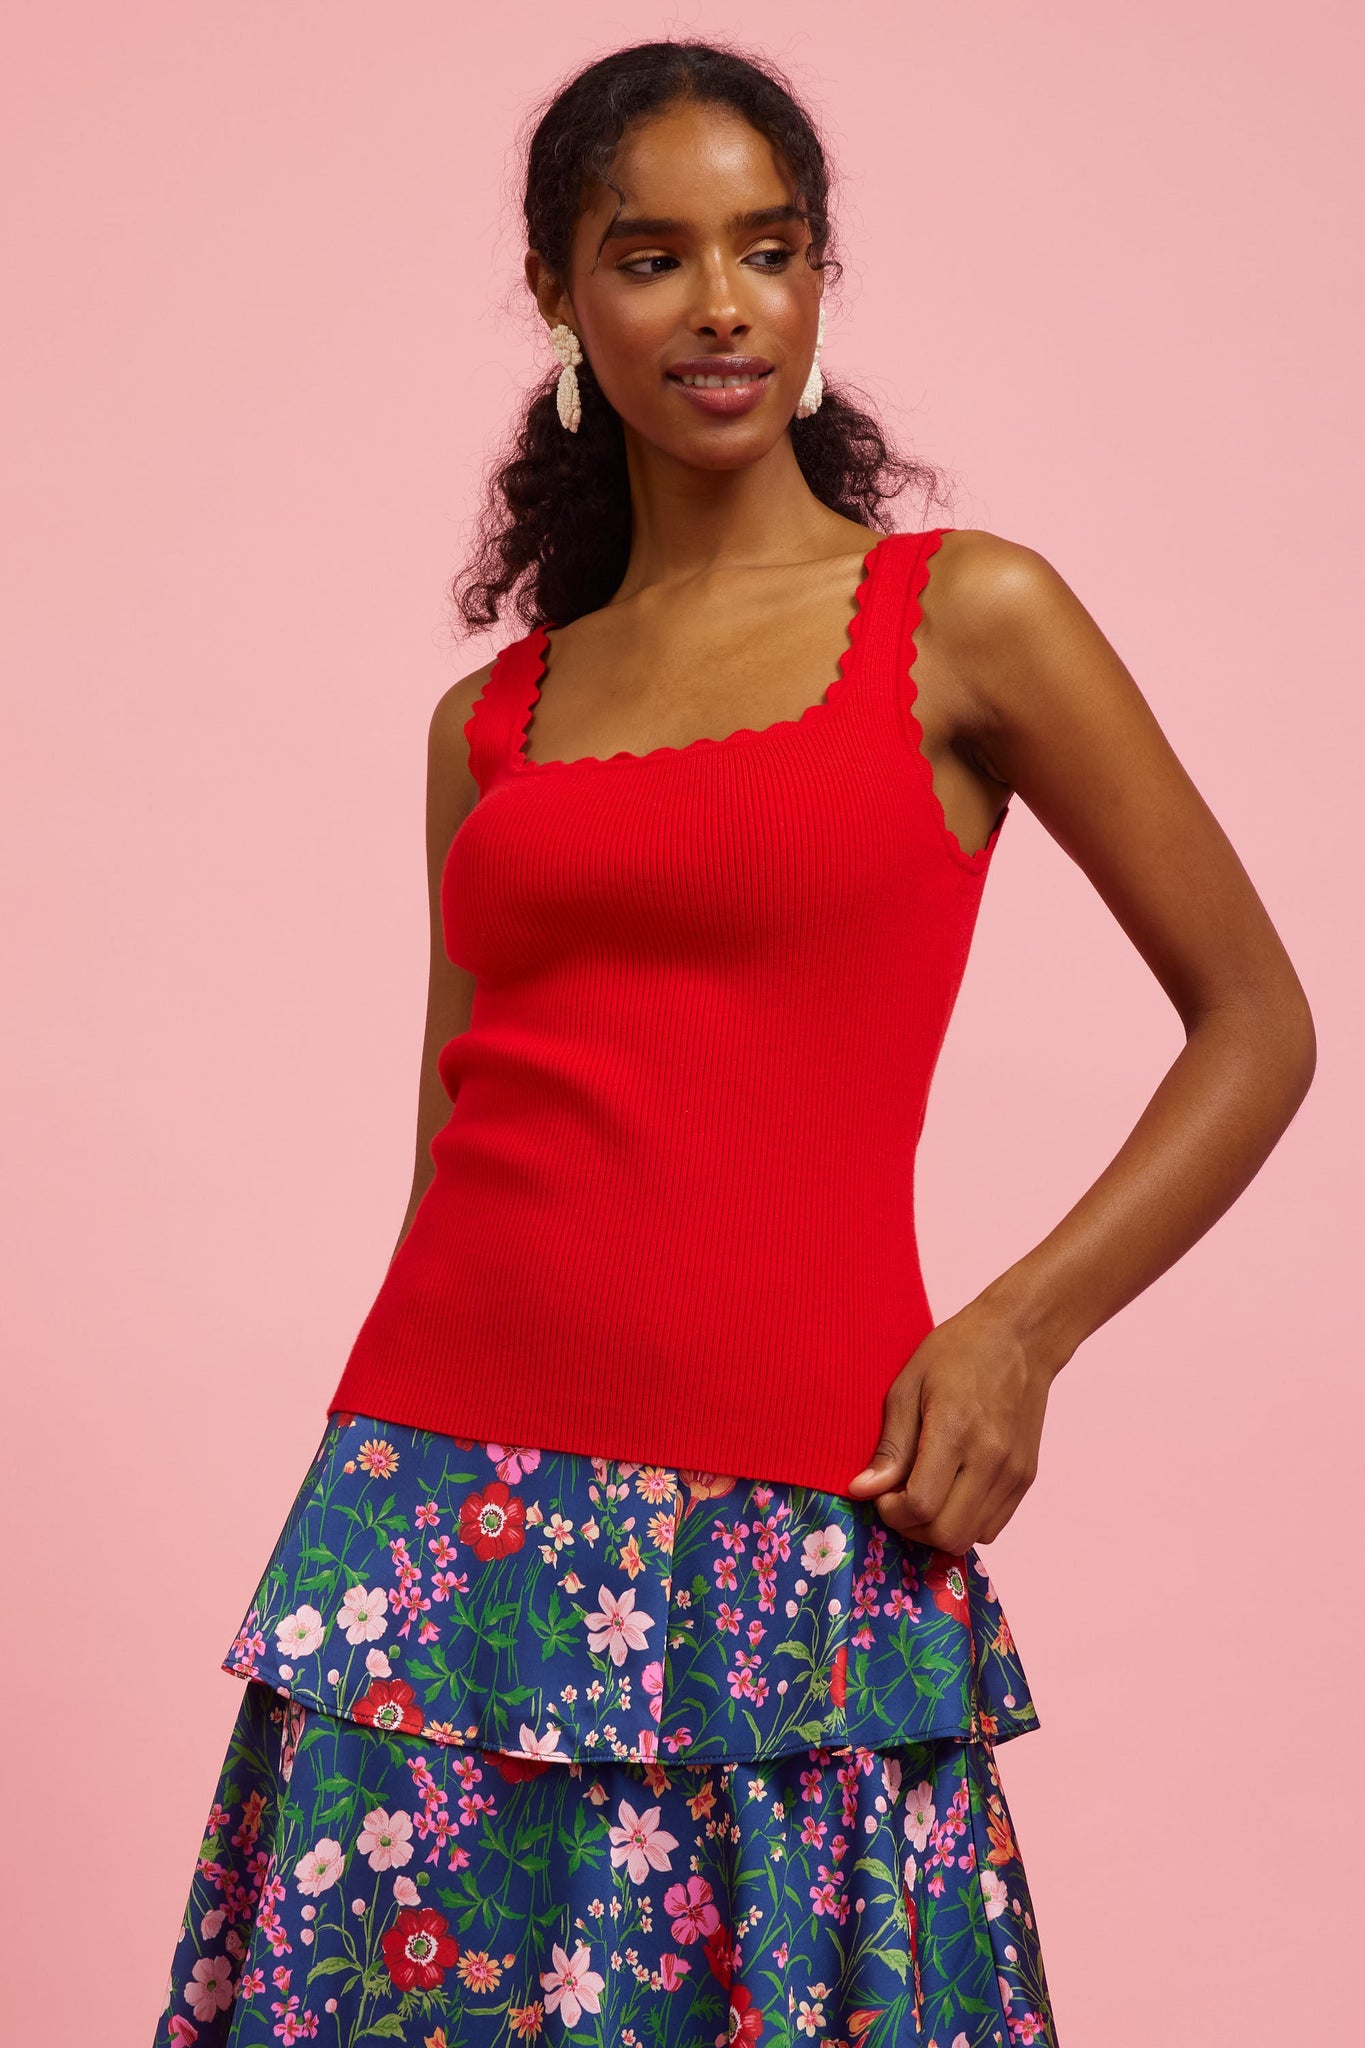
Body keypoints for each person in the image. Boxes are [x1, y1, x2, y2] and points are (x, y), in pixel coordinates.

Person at [153, 38, 1315, 2048]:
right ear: (556, 293)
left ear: (817, 276)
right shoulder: (487, 722)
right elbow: (449, 1151)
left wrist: (1017, 1330)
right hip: (436, 1532)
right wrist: (384, 1513)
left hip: (791, 1525)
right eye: (651, 257)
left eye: (767, 251)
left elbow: (1257, 1022)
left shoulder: (964, 616)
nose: (719, 307)